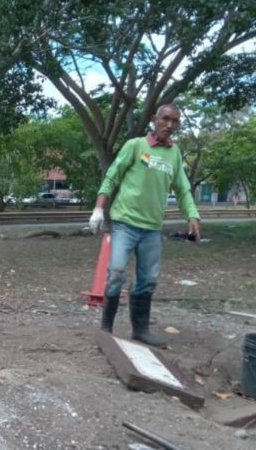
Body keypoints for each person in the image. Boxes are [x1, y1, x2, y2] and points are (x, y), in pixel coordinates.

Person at [88, 104, 200, 348]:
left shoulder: (174, 154)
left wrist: (192, 215)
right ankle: (106, 329)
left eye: (175, 121)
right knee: (116, 272)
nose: (169, 125)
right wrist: (98, 208)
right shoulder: (136, 146)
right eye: (165, 119)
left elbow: (182, 189)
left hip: (151, 228)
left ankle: (140, 330)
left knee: (147, 280)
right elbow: (112, 175)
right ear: (154, 119)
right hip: (125, 223)